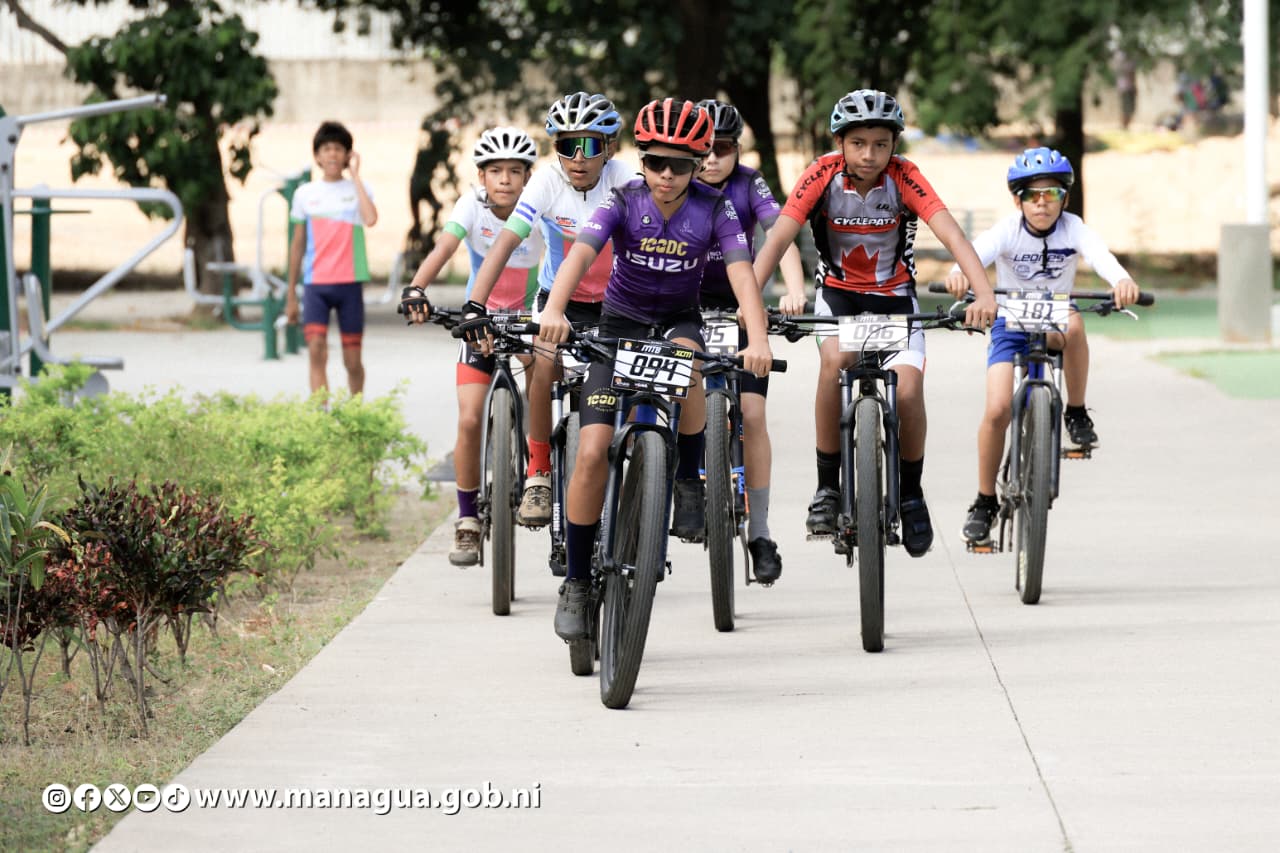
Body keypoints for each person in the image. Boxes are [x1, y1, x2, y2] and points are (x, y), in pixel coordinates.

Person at [538, 98, 773, 640]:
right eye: (655, 162)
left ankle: (688, 478)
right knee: (592, 452)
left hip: (676, 321)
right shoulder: (623, 198)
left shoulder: (716, 208)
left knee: (691, 367)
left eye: (680, 165)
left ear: (699, 164)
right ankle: (576, 582)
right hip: (618, 325)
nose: (667, 175)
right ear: (640, 160)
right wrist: (554, 310)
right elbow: (580, 254)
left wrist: (757, 339)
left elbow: (743, 275)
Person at [752, 89, 996, 558]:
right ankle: (827, 487)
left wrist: (983, 292)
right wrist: (753, 302)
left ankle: (911, 493)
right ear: (840, 143)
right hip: (838, 295)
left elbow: (951, 234)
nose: (869, 154)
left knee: (907, 390)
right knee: (835, 363)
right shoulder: (820, 174)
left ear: (894, 145)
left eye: (881, 144)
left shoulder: (905, 176)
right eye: (859, 143)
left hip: (896, 299)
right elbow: (779, 237)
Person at [946, 148, 1140, 546]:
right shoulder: (1006, 230)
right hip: (1010, 321)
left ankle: (1076, 411)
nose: (1041, 203)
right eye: (1031, 195)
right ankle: (984, 500)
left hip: (1055, 318)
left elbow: (1100, 255)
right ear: (1017, 200)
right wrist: (958, 275)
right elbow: (973, 256)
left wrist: (1121, 280)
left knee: (1076, 324)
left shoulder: (1073, 228)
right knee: (997, 408)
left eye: (1051, 194)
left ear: (1064, 199)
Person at [463, 92, 632, 530]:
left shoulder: (626, 179)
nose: (579, 157)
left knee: (631, 378)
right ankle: (538, 472)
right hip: (560, 301)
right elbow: (506, 241)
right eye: (567, 145)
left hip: (616, 302)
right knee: (544, 360)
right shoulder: (546, 182)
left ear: (610, 147)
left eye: (590, 145)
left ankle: (635, 464)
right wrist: (475, 304)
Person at [400, 127, 543, 566]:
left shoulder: (540, 206)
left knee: (545, 385)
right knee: (468, 418)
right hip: (479, 321)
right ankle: (467, 520)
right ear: (481, 177)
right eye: (495, 171)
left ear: (528, 176)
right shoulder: (471, 206)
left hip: (529, 317)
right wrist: (417, 287)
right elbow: (444, 247)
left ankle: (540, 477)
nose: (505, 180)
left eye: (515, 171)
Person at [694, 98, 806, 584]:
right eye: (703, 149)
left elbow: (780, 235)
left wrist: (795, 290)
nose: (711, 159)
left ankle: (760, 532)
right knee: (680, 407)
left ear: (738, 150)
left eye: (722, 149)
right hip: (689, 309)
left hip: (745, 306)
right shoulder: (679, 185)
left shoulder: (749, 182)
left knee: (754, 415)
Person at [286, 120, 378, 396]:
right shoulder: (304, 194)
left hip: (350, 284)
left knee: (352, 360)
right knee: (316, 350)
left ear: (348, 154)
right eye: (326, 149)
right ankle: (321, 413)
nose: (332, 154)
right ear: (317, 156)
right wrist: (291, 294)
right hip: (316, 285)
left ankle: (355, 412)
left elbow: (371, 219)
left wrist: (356, 176)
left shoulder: (360, 189)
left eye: (338, 149)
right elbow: (297, 245)